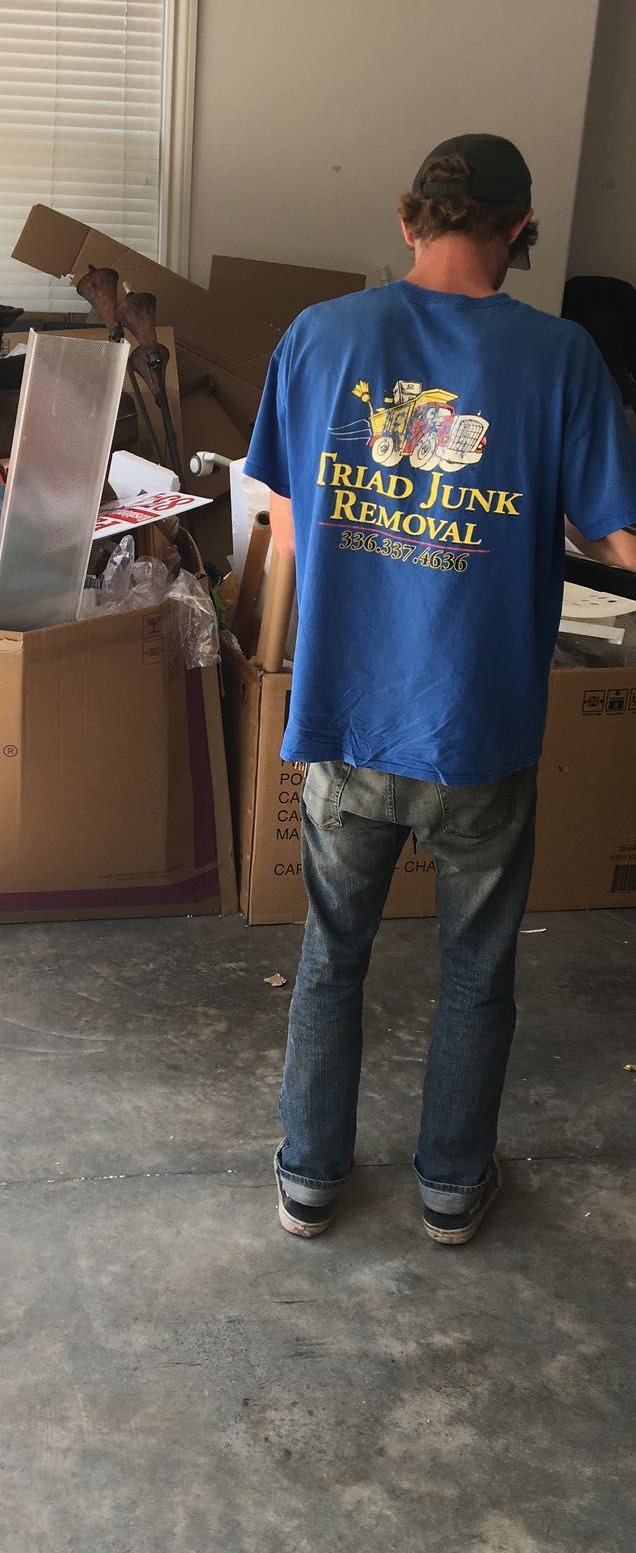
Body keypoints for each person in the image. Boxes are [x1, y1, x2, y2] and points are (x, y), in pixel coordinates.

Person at [244, 133, 636, 1245]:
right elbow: (620, 539)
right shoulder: (562, 360)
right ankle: (453, 1189)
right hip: (480, 728)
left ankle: (312, 1178)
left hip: (348, 715)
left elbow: (284, 532)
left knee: (332, 953)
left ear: (410, 220)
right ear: (519, 231)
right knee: (476, 966)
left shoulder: (319, 336)